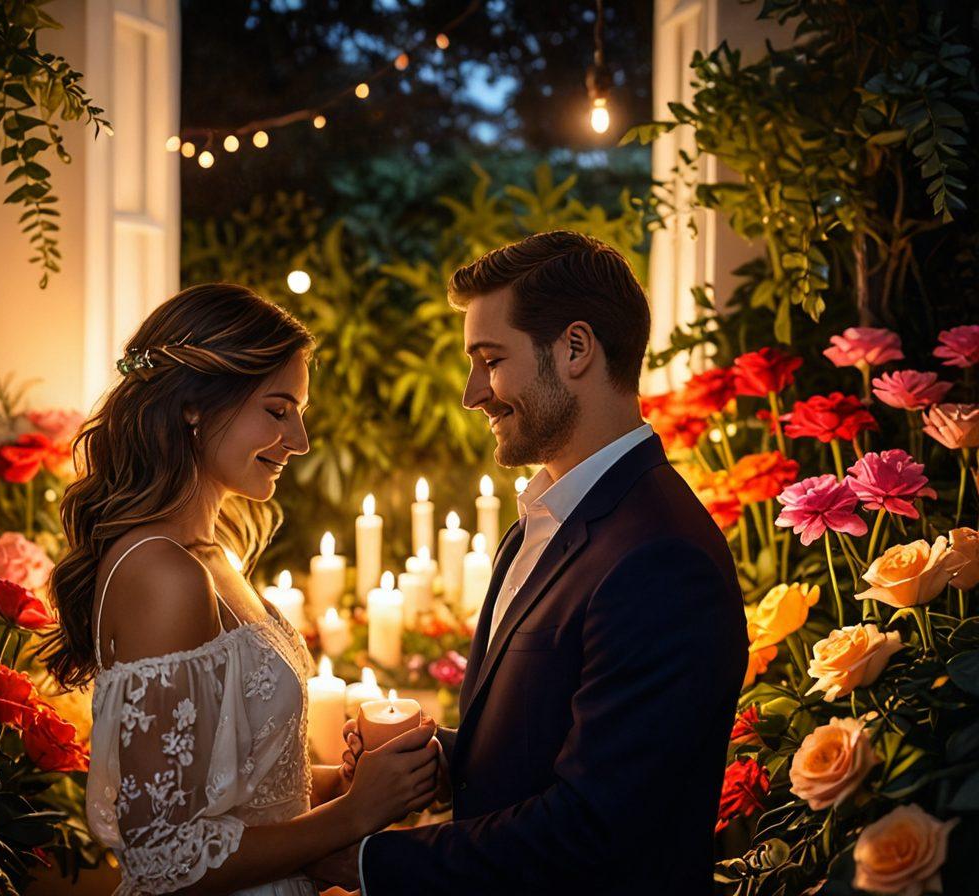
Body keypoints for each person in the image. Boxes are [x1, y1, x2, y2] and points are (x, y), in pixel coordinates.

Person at [338, 231, 748, 895]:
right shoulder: (547, 516)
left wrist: (361, 863)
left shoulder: (661, 557)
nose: (474, 394)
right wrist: (436, 758)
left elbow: (596, 827)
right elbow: (547, 744)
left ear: (576, 349)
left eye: (491, 360)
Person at [43, 284, 438, 895]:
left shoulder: (213, 554)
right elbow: (163, 859)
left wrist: (348, 782)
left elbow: (250, 797)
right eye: (278, 411)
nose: (300, 440)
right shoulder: (160, 573)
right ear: (193, 408)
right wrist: (354, 816)